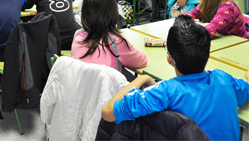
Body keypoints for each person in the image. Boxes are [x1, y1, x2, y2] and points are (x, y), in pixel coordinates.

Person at [101, 15, 249, 141]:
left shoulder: (164, 91)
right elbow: (245, 89)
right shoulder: (224, 79)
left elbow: (107, 112)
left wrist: (141, 78)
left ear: (169, 58)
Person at [71, 0, 147, 73]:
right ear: (113, 13)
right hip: (107, 85)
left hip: (81, 83)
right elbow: (141, 61)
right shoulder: (116, 42)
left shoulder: (78, 35)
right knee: (144, 80)